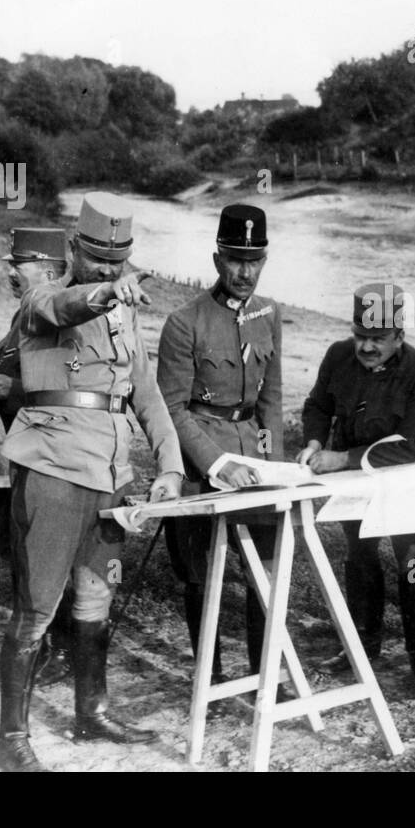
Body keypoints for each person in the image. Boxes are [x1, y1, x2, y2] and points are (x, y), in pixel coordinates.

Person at [0, 192, 184, 772]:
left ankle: (90, 711)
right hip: (52, 471)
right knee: (38, 606)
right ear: (73, 249)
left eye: (119, 259)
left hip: (109, 476)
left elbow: (145, 392)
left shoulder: (128, 308)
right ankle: (11, 741)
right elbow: (64, 307)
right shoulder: (40, 298)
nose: (109, 267)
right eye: (98, 257)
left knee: (96, 596)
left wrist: (172, 465)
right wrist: (104, 291)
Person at [156, 204, 280, 683]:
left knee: (264, 573)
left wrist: (275, 467)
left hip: (254, 458)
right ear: (216, 260)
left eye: (254, 260)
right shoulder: (184, 322)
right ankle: (210, 674)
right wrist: (216, 465)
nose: (245, 271)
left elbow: (270, 399)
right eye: (234, 259)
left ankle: (263, 675)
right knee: (202, 574)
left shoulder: (270, 315)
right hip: (199, 460)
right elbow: (172, 409)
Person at [298, 283, 415, 689]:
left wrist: (341, 459)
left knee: (413, 563)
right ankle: (361, 645)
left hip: (405, 479)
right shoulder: (337, 356)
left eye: (378, 339)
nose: (365, 347)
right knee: (359, 557)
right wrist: (313, 440)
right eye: (360, 336)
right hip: (353, 480)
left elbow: (411, 447)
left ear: (400, 337)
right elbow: (318, 405)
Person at [0, 228, 74, 683]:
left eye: (19, 263)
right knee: (18, 553)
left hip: (49, 458)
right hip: (15, 453)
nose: (10, 271)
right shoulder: (23, 315)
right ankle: (29, 650)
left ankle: (59, 654)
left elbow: (74, 391)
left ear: (49, 270)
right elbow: (14, 365)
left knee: (46, 557)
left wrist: (11, 389)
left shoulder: (67, 319)